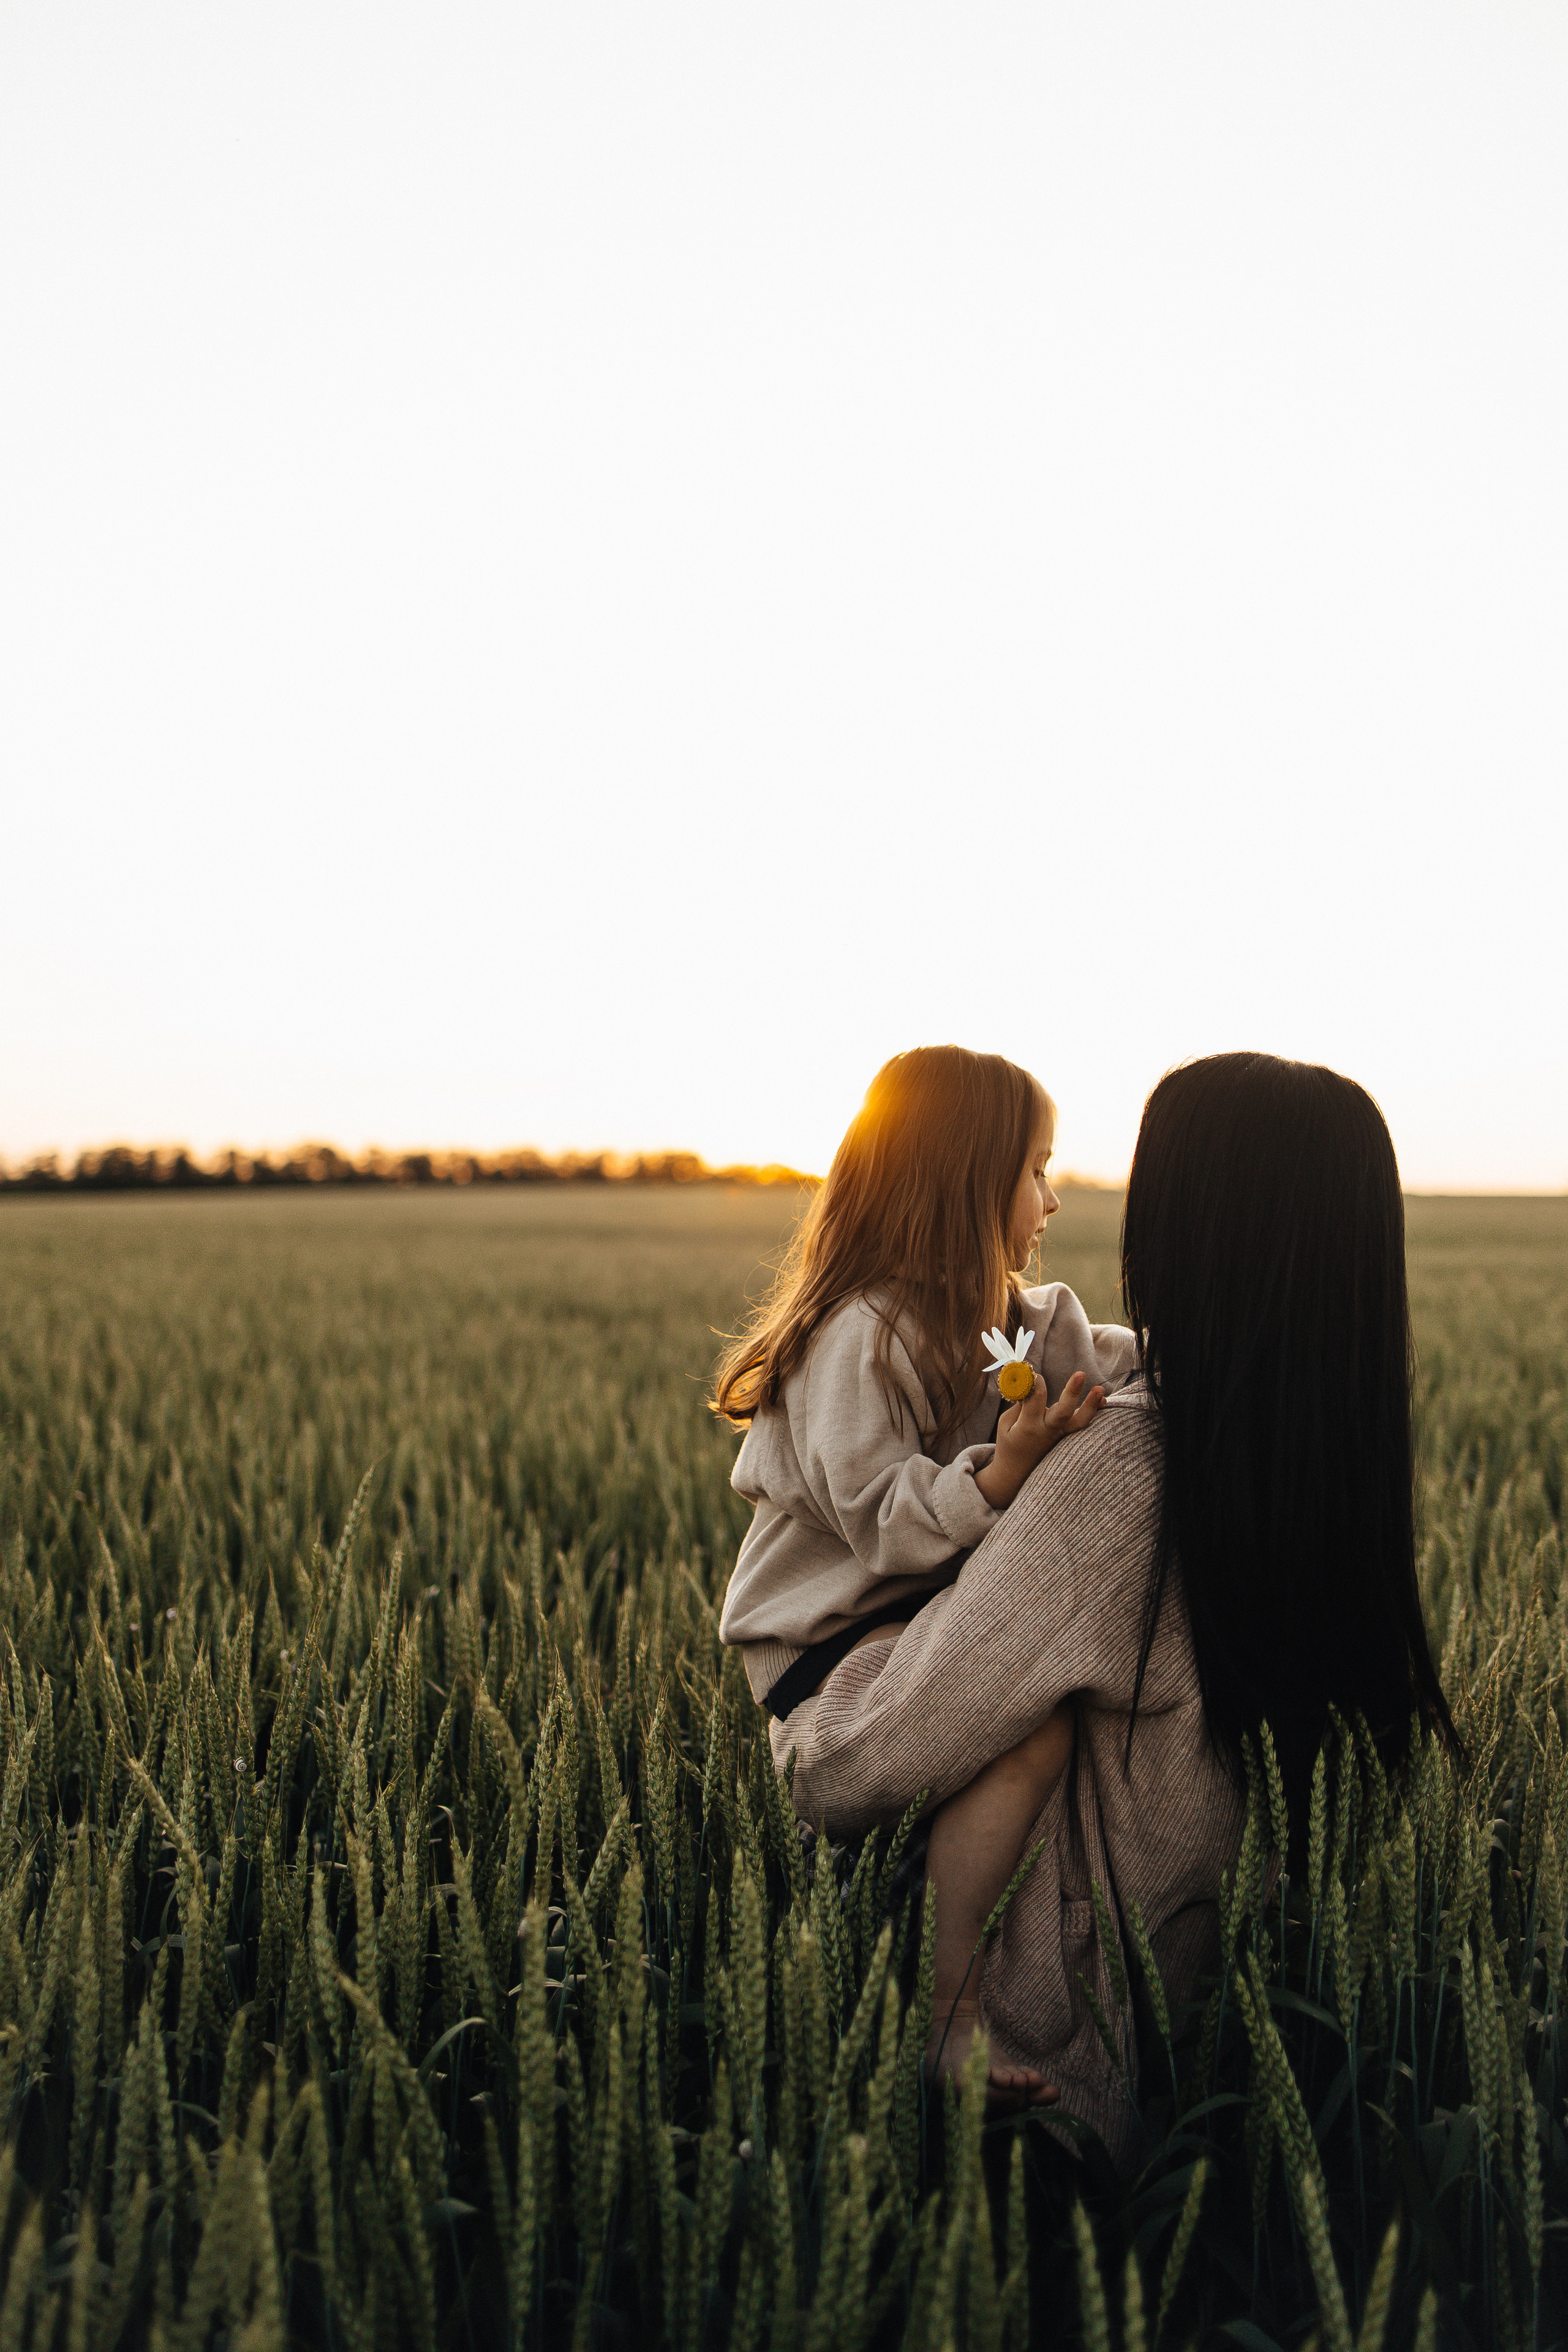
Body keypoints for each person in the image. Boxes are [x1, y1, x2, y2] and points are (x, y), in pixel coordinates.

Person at [777, 1052, 1458, 2167]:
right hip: (1200, 2077)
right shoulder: (1331, 1472)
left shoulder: (1126, 1475)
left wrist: (806, 1691)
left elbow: (857, 1768)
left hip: (1022, 2089)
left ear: (1193, 1229)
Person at [712, 1044, 1135, 2097]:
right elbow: (883, 1521)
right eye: (1036, 1169)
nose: (1051, 1197)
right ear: (963, 1177)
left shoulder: (1023, 1323)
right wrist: (1004, 1475)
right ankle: (950, 2015)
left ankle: (946, 1917)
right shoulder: (858, 1336)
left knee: (1056, 1717)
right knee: (1031, 1720)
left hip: (935, 1631)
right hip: (832, 1659)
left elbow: (1113, 1368)